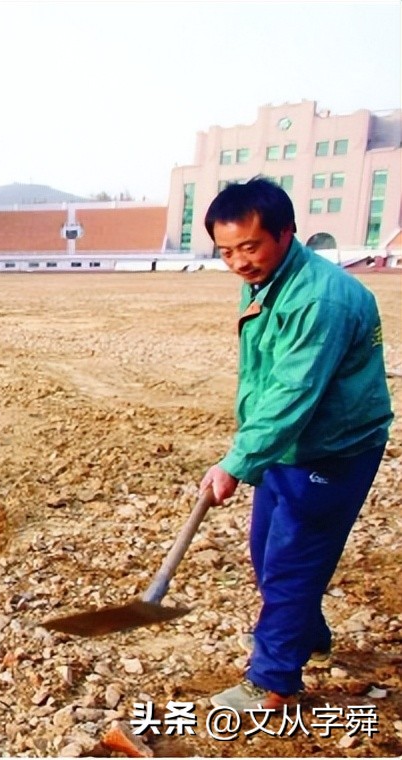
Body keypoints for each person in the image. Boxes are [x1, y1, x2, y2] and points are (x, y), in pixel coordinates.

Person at [199, 177, 392, 710]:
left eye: (250, 246)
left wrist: (237, 461)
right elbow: (270, 378)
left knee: (290, 563)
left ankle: (274, 680)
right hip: (287, 446)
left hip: (334, 449)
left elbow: (293, 391)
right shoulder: (266, 280)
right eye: (227, 251)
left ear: (286, 233)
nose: (239, 262)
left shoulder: (320, 301)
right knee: (267, 553)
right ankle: (306, 635)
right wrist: (251, 449)